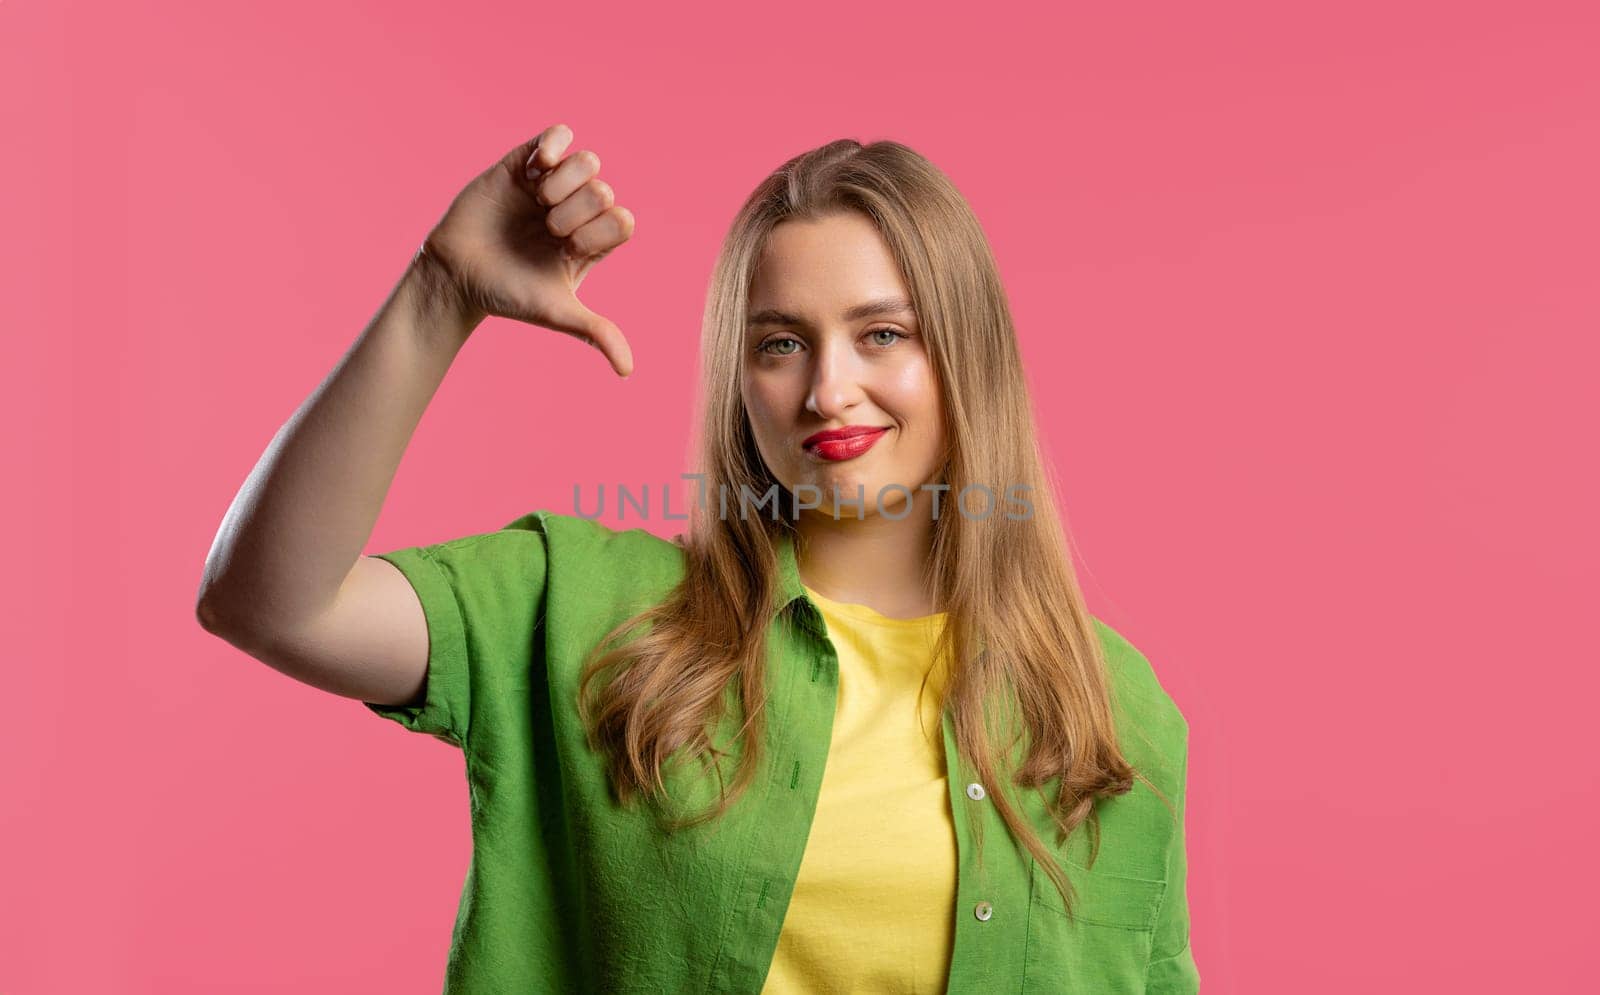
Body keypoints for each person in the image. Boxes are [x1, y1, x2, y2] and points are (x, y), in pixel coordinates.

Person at [195, 123, 1199, 994]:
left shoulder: (1111, 704)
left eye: (881, 333)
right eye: (778, 344)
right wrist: (438, 293)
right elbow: (273, 603)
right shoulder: (590, 607)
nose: (827, 389)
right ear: (739, 379)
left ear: (964, 354)